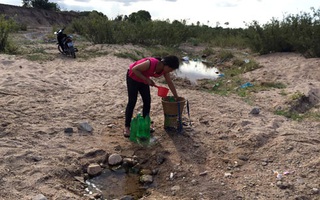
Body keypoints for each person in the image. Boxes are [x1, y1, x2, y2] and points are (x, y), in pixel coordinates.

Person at [124, 55, 180, 137]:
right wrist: (147, 79)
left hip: (143, 80)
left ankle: (146, 123)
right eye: (171, 69)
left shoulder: (165, 70)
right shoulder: (151, 63)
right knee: (132, 101)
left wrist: (176, 96)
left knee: (147, 101)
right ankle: (127, 127)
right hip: (133, 77)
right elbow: (134, 69)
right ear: (167, 65)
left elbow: (169, 82)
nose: (170, 71)